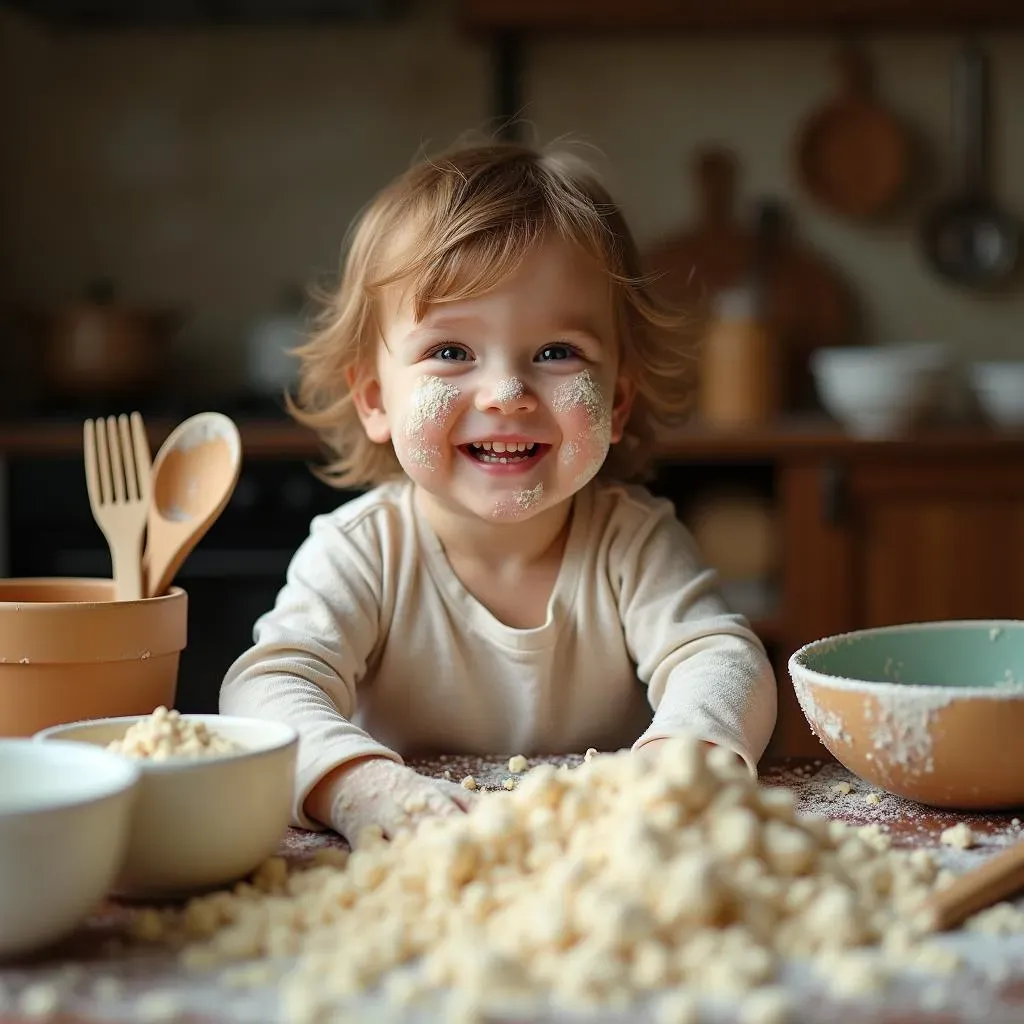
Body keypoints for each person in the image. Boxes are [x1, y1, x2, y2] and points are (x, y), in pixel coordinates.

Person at [220, 138, 778, 844]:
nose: (508, 394)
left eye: (556, 353)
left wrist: (679, 765)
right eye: (451, 352)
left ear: (619, 398)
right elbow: (265, 689)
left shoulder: (630, 543)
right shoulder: (364, 553)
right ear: (374, 399)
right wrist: (362, 786)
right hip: (414, 861)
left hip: (590, 862)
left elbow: (720, 662)